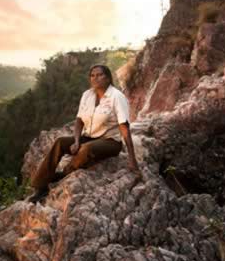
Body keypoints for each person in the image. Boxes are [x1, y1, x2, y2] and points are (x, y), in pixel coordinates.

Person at [26, 64, 142, 203]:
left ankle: (62, 175)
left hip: (110, 142)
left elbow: (124, 127)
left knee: (86, 149)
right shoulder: (87, 95)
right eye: (92, 75)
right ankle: (40, 186)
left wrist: (132, 159)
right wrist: (76, 140)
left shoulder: (117, 97)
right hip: (89, 137)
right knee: (60, 142)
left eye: (100, 75)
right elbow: (79, 120)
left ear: (108, 78)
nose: (95, 78)